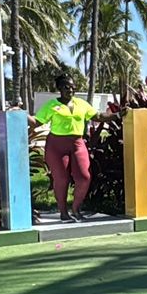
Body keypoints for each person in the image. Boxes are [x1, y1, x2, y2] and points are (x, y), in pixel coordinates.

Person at [35, 76, 96, 222]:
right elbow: (37, 122)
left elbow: (98, 116)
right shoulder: (51, 105)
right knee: (62, 179)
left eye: (73, 86)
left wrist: (117, 114)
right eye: (66, 87)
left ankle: (75, 208)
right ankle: (63, 212)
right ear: (59, 89)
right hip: (56, 145)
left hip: (77, 143)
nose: (71, 89)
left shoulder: (81, 103)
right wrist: (20, 114)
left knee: (84, 177)